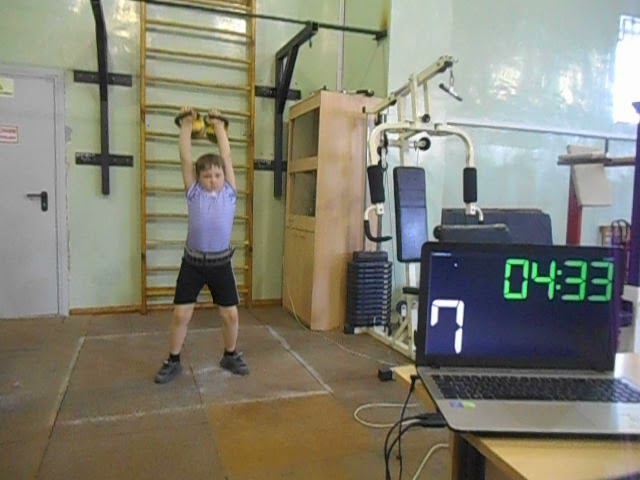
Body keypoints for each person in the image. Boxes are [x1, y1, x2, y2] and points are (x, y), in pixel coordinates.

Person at [154, 106, 249, 384]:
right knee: (181, 314)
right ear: (198, 178)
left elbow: (227, 157)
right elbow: (185, 158)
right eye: (207, 176)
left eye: (217, 175)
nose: (213, 180)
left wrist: (218, 126)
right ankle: (173, 361)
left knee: (230, 315)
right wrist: (186, 125)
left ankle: (230, 354)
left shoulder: (229, 193)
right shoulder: (193, 192)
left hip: (221, 264)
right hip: (193, 264)